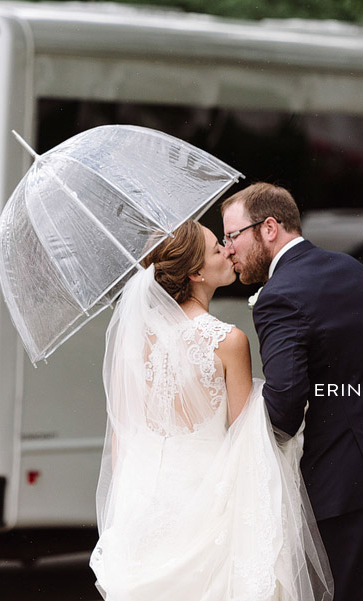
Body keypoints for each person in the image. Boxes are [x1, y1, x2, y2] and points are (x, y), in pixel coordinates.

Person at [89, 220, 332, 601]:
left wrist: (126, 508)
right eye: (218, 249)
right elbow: (246, 440)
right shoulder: (228, 342)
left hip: (144, 503)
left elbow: (123, 432)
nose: (229, 250)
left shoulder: (132, 346)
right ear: (196, 272)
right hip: (208, 500)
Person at [221, 183, 363, 601]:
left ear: (269, 227)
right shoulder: (354, 269)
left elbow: (285, 404)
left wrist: (246, 436)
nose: (229, 248)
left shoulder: (278, 296)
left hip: (346, 480)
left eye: (233, 235)